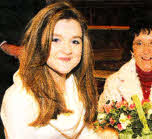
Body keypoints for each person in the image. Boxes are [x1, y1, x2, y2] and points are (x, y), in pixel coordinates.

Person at [1, 2, 100, 139]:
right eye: (56, 40)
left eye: (75, 41)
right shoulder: (18, 98)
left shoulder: (77, 87)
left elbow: (87, 134)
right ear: (38, 43)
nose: (67, 50)